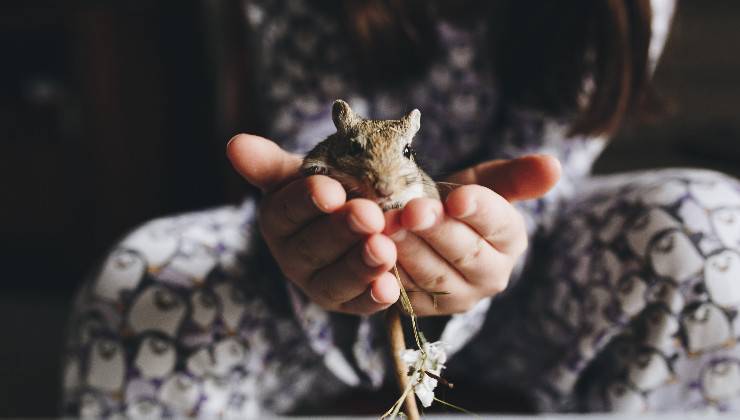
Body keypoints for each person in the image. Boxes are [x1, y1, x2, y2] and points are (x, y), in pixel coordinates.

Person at [62, 0, 740, 416]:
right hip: (317, 280)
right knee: (140, 278)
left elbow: (547, 170)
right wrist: (311, 214)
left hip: (538, 270)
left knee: (714, 225)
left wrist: (487, 239)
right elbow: (314, 143)